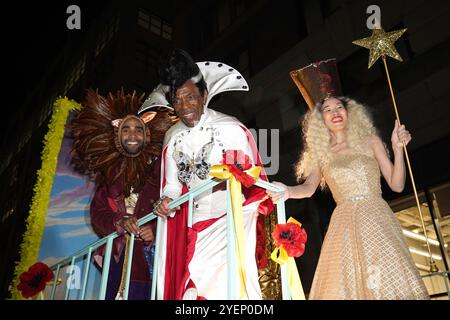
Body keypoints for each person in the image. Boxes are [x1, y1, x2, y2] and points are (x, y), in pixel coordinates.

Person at [267, 59, 429, 299]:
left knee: (385, 284)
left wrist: (397, 149)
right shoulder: (321, 154)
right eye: (327, 110)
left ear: (349, 111)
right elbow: (309, 188)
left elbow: (396, 184)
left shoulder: (371, 141)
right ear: (320, 120)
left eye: (338, 107)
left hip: (377, 218)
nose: (334, 113)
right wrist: (288, 190)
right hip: (343, 223)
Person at [144, 49, 273, 300]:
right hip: (192, 227)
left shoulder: (230, 128)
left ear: (204, 95)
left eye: (190, 97)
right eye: (177, 100)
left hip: (229, 221)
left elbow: (250, 177)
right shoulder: (171, 138)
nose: (184, 107)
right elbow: (171, 186)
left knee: (226, 290)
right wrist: (166, 201)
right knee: (192, 292)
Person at [71, 89, 173, 299]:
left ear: (148, 134)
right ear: (117, 132)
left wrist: (155, 229)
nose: (132, 135)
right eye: (126, 129)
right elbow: (97, 213)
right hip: (118, 257)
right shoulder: (109, 174)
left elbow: (177, 203)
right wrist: (120, 221)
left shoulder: (163, 167)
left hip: (154, 260)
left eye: (138, 129)